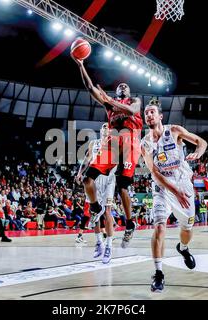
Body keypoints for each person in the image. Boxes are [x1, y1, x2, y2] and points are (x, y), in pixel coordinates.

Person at [72, 55, 142, 249]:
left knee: (122, 186)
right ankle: (95, 207)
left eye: (125, 86)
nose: (122, 87)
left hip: (129, 143)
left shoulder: (135, 100)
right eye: (119, 86)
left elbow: (131, 111)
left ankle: (130, 222)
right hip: (111, 144)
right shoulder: (109, 104)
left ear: (128, 91)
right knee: (87, 179)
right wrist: (81, 65)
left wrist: (109, 99)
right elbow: (90, 88)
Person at [141, 98, 207, 292]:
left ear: (160, 116)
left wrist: (198, 153)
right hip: (163, 187)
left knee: (187, 228)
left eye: (152, 112)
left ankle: (183, 248)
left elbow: (201, 142)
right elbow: (154, 173)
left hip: (183, 183)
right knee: (159, 227)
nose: (148, 115)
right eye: (146, 113)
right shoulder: (145, 143)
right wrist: (174, 191)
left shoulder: (175, 131)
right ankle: (158, 273)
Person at [75, 123, 116, 263]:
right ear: (100, 130)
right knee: (94, 212)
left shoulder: (115, 143)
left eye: (108, 127)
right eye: (104, 126)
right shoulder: (94, 143)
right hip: (94, 180)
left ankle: (109, 246)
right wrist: (80, 173)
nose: (106, 128)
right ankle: (99, 243)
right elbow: (86, 160)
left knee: (107, 212)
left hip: (109, 179)